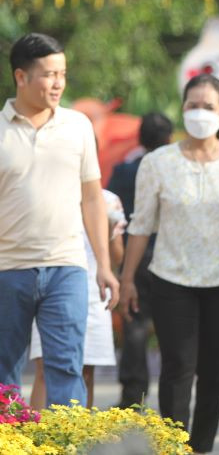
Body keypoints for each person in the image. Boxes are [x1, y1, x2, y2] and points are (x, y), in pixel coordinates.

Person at [119, 74, 219, 455]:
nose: (200, 113)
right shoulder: (157, 163)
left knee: (215, 372)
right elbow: (141, 225)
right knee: (177, 368)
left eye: (208, 107)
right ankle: (174, 447)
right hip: (172, 279)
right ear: (182, 110)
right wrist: (127, 279)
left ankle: (201, 447)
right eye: (192, 106)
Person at [0, 33, 119, 407]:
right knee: (4, 371)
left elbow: (92, 199)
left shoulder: (78, 126)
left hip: (66, 267)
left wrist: (104, 266)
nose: (58, 83)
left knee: (67, 366)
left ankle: (67, 438)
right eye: (49, 74)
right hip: (8, 268)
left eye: (62, 74)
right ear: (21, 76)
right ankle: (8, 436)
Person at [30, 189, 126, 409]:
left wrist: (109, 228)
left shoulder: (109, 200)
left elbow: (118, 257)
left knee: (85, 371)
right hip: (51, 284)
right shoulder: (51, 190)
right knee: (44, 367)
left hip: (94, 291)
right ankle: (35, 430)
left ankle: (78, 429)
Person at [108, 111, 174, 408]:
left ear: (140, 138)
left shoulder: (124, 171)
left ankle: (133, 396)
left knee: (134, 326)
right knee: (174, 330)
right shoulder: (177, 171)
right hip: (171, 258)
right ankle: (175, 396)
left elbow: (112, 214)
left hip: (133, 258)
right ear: (169, 138)